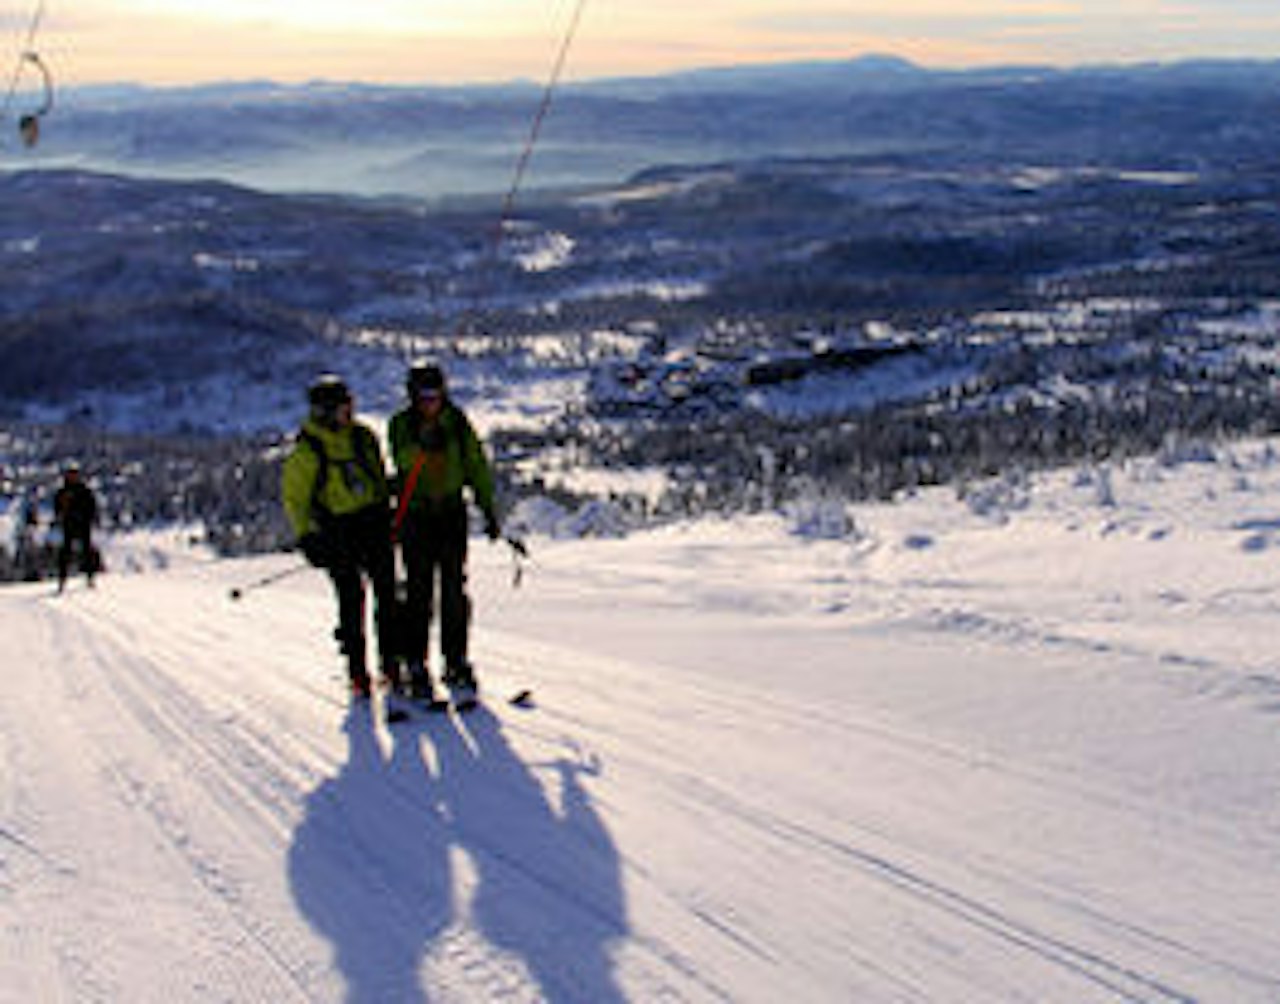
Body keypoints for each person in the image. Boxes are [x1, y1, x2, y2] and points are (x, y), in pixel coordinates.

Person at [388, 362, 500, 705]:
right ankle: (416, 663)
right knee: (419, 591)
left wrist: (488, 507)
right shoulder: (401, 424)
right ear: (413, 396)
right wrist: (421, 444)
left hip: (451, 513)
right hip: (418, 515)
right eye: (424, 396)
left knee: (454, 590)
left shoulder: (456, 422)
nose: (431, 402)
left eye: (436, 395)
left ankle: (455, 660)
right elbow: (401, 458)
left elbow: (475, 464)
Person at [282, 375, 400, 698]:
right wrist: (308, 537)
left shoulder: (363, 437)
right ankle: (358, 671)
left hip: (373, 524)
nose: (348, 413)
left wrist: (389, 494)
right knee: (352, 601)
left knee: (388, 596)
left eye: (349, 406)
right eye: (341, 408)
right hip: (337, 532)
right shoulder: (308, 452)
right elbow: (296, 499)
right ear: (323, 411)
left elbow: (375, 476)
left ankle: (392, 664)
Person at [53, 466, 99, 592]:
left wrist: (89, 518)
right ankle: (62, 579)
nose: (72, 477)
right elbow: (57, 508)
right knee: (66, 553)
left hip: (82, 525)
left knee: (86, 552)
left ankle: (90, 577)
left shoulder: (83, 490)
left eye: (74, 475)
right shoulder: (63, 492)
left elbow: (92, 506)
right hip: (70, 525)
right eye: (70, 475)